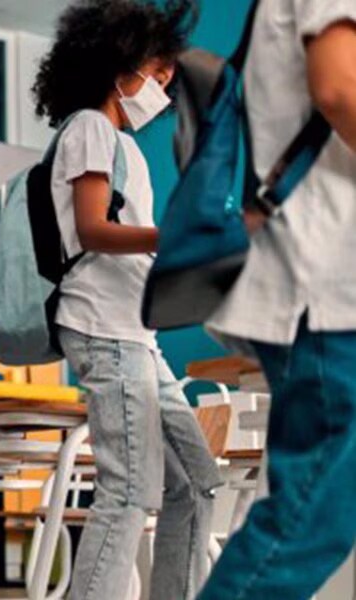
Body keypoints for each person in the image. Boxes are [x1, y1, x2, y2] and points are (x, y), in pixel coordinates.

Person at [31, 2, 223, 599]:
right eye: (156, 73)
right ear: (117, 63)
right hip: (106, 331)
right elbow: (92, 230)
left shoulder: (120, 146)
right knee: (128, 491)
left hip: (137, 337)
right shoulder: (89, 127)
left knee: (195, 481)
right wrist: (173, 237)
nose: (161, 87)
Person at [199, 2, 356, 598]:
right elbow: (340, 87)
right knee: (310, 516)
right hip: (327, 285)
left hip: (323, 279)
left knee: (311, 509)